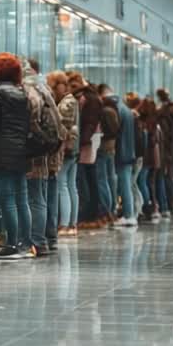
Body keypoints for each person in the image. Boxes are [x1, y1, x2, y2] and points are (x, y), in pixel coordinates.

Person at [0, 54, 32, 260]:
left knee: (7, 200)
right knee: (22, 199)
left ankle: (11, 244)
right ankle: (26, 243)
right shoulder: (22, 94)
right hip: (21, 152)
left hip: (1, 153)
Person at [23, 59, 61, 255]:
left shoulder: (30, 92)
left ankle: (37, 241)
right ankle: (45, 238)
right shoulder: (44, 90)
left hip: (33, 153)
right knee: (41, 197)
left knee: (35, 198)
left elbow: (32, 122)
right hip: (45, 152)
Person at [70, 72, 106, 229]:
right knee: (91, 180)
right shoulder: (93, 96)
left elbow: (89, 122)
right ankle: (94, 214)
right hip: (91, 142)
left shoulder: (87, 98)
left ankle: (88, 215)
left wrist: (81, 142)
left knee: (85, 181)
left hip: (87, 143)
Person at [50, 72, 80, 237]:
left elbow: (62, 126)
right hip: (73, 149)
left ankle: (64, 224)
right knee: (70, 186)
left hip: (67, 150)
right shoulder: (72, 101)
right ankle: (71, 223)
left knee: (62, 185)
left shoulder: (66, 102)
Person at [103, 85, 137, 227]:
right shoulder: (126, 109)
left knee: (124, 185)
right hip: (129, 151)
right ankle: (130, 214)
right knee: (127, 184)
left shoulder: (117, 110)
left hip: (122, 152)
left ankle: (129, 215)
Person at [97, 84, 121, 227]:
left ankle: (107, 210)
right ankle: (112, 208)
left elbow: (106, 130)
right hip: (111, 148)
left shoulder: (105, 111)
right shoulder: (114, 109)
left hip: (103, 148)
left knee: (102, 180)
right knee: (111, 179)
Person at [136, 98, 161, 222]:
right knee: (148, 182)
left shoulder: (145, 122)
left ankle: (147, 206)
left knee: (142, 181)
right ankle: (152, 206)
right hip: (153, 158)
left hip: (146, 157)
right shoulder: (155, 121)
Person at [155, 90, 173, 218]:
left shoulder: (163, 116)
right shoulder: (172, 114)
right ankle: (169, 206)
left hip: (165, 152)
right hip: (169, 151)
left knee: (162, 178)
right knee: (167, 178)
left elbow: (166, 137)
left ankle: (164, 206)